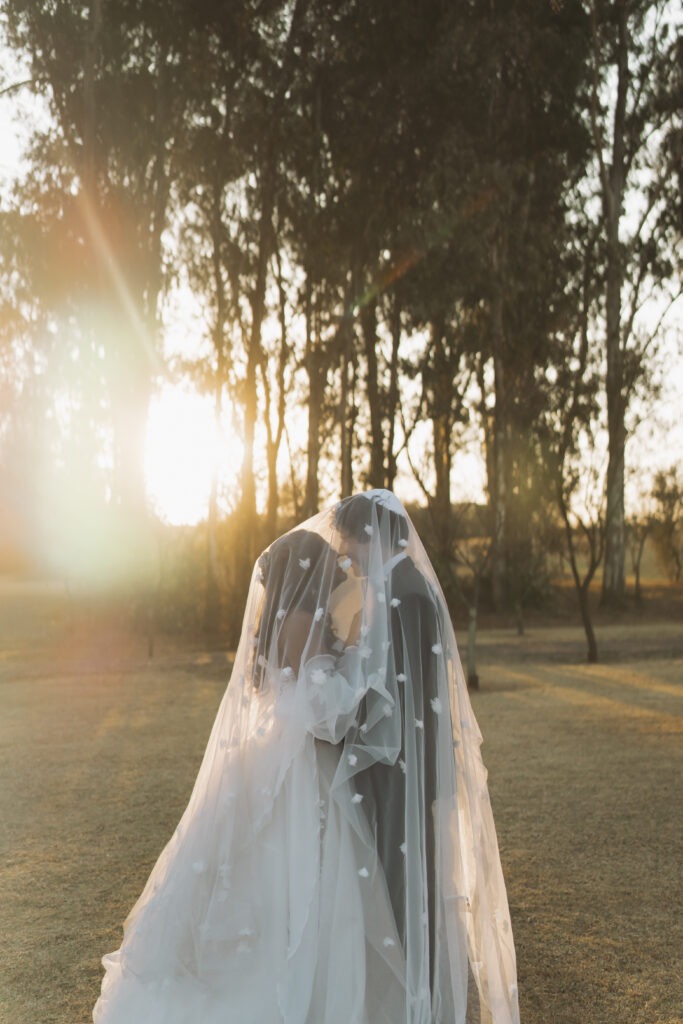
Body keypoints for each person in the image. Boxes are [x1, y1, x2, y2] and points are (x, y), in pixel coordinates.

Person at [93, 490, 520, 1024]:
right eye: (333, 559)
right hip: (303, 766)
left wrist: (353, 667)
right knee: (304, 891)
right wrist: (354, 675)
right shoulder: (312, 619)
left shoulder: (350, 606)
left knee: (291, 892)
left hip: (295, 761)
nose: (344, 561)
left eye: (346, 548)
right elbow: (320, 708)